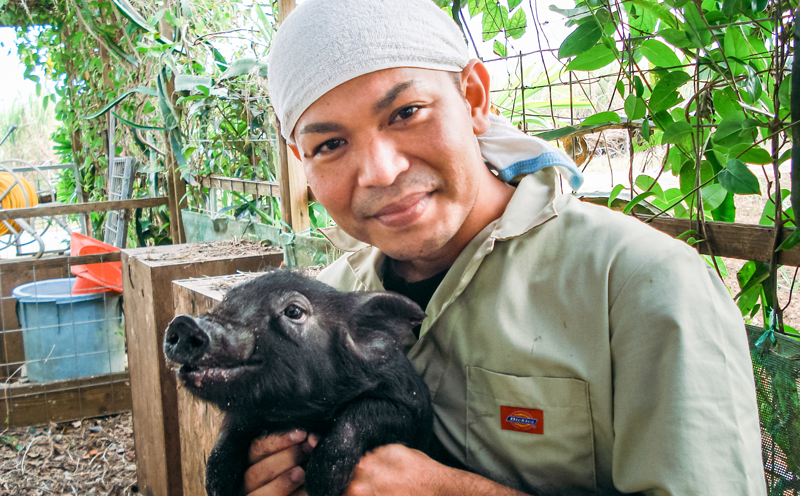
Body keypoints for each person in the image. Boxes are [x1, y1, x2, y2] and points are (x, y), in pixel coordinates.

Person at [243, 0, 767, 494]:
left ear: (473, 98)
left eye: (407, 113)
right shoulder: (319, 307)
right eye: (330, 145)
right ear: (301, 160)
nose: (381, 171)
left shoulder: (637, 285)